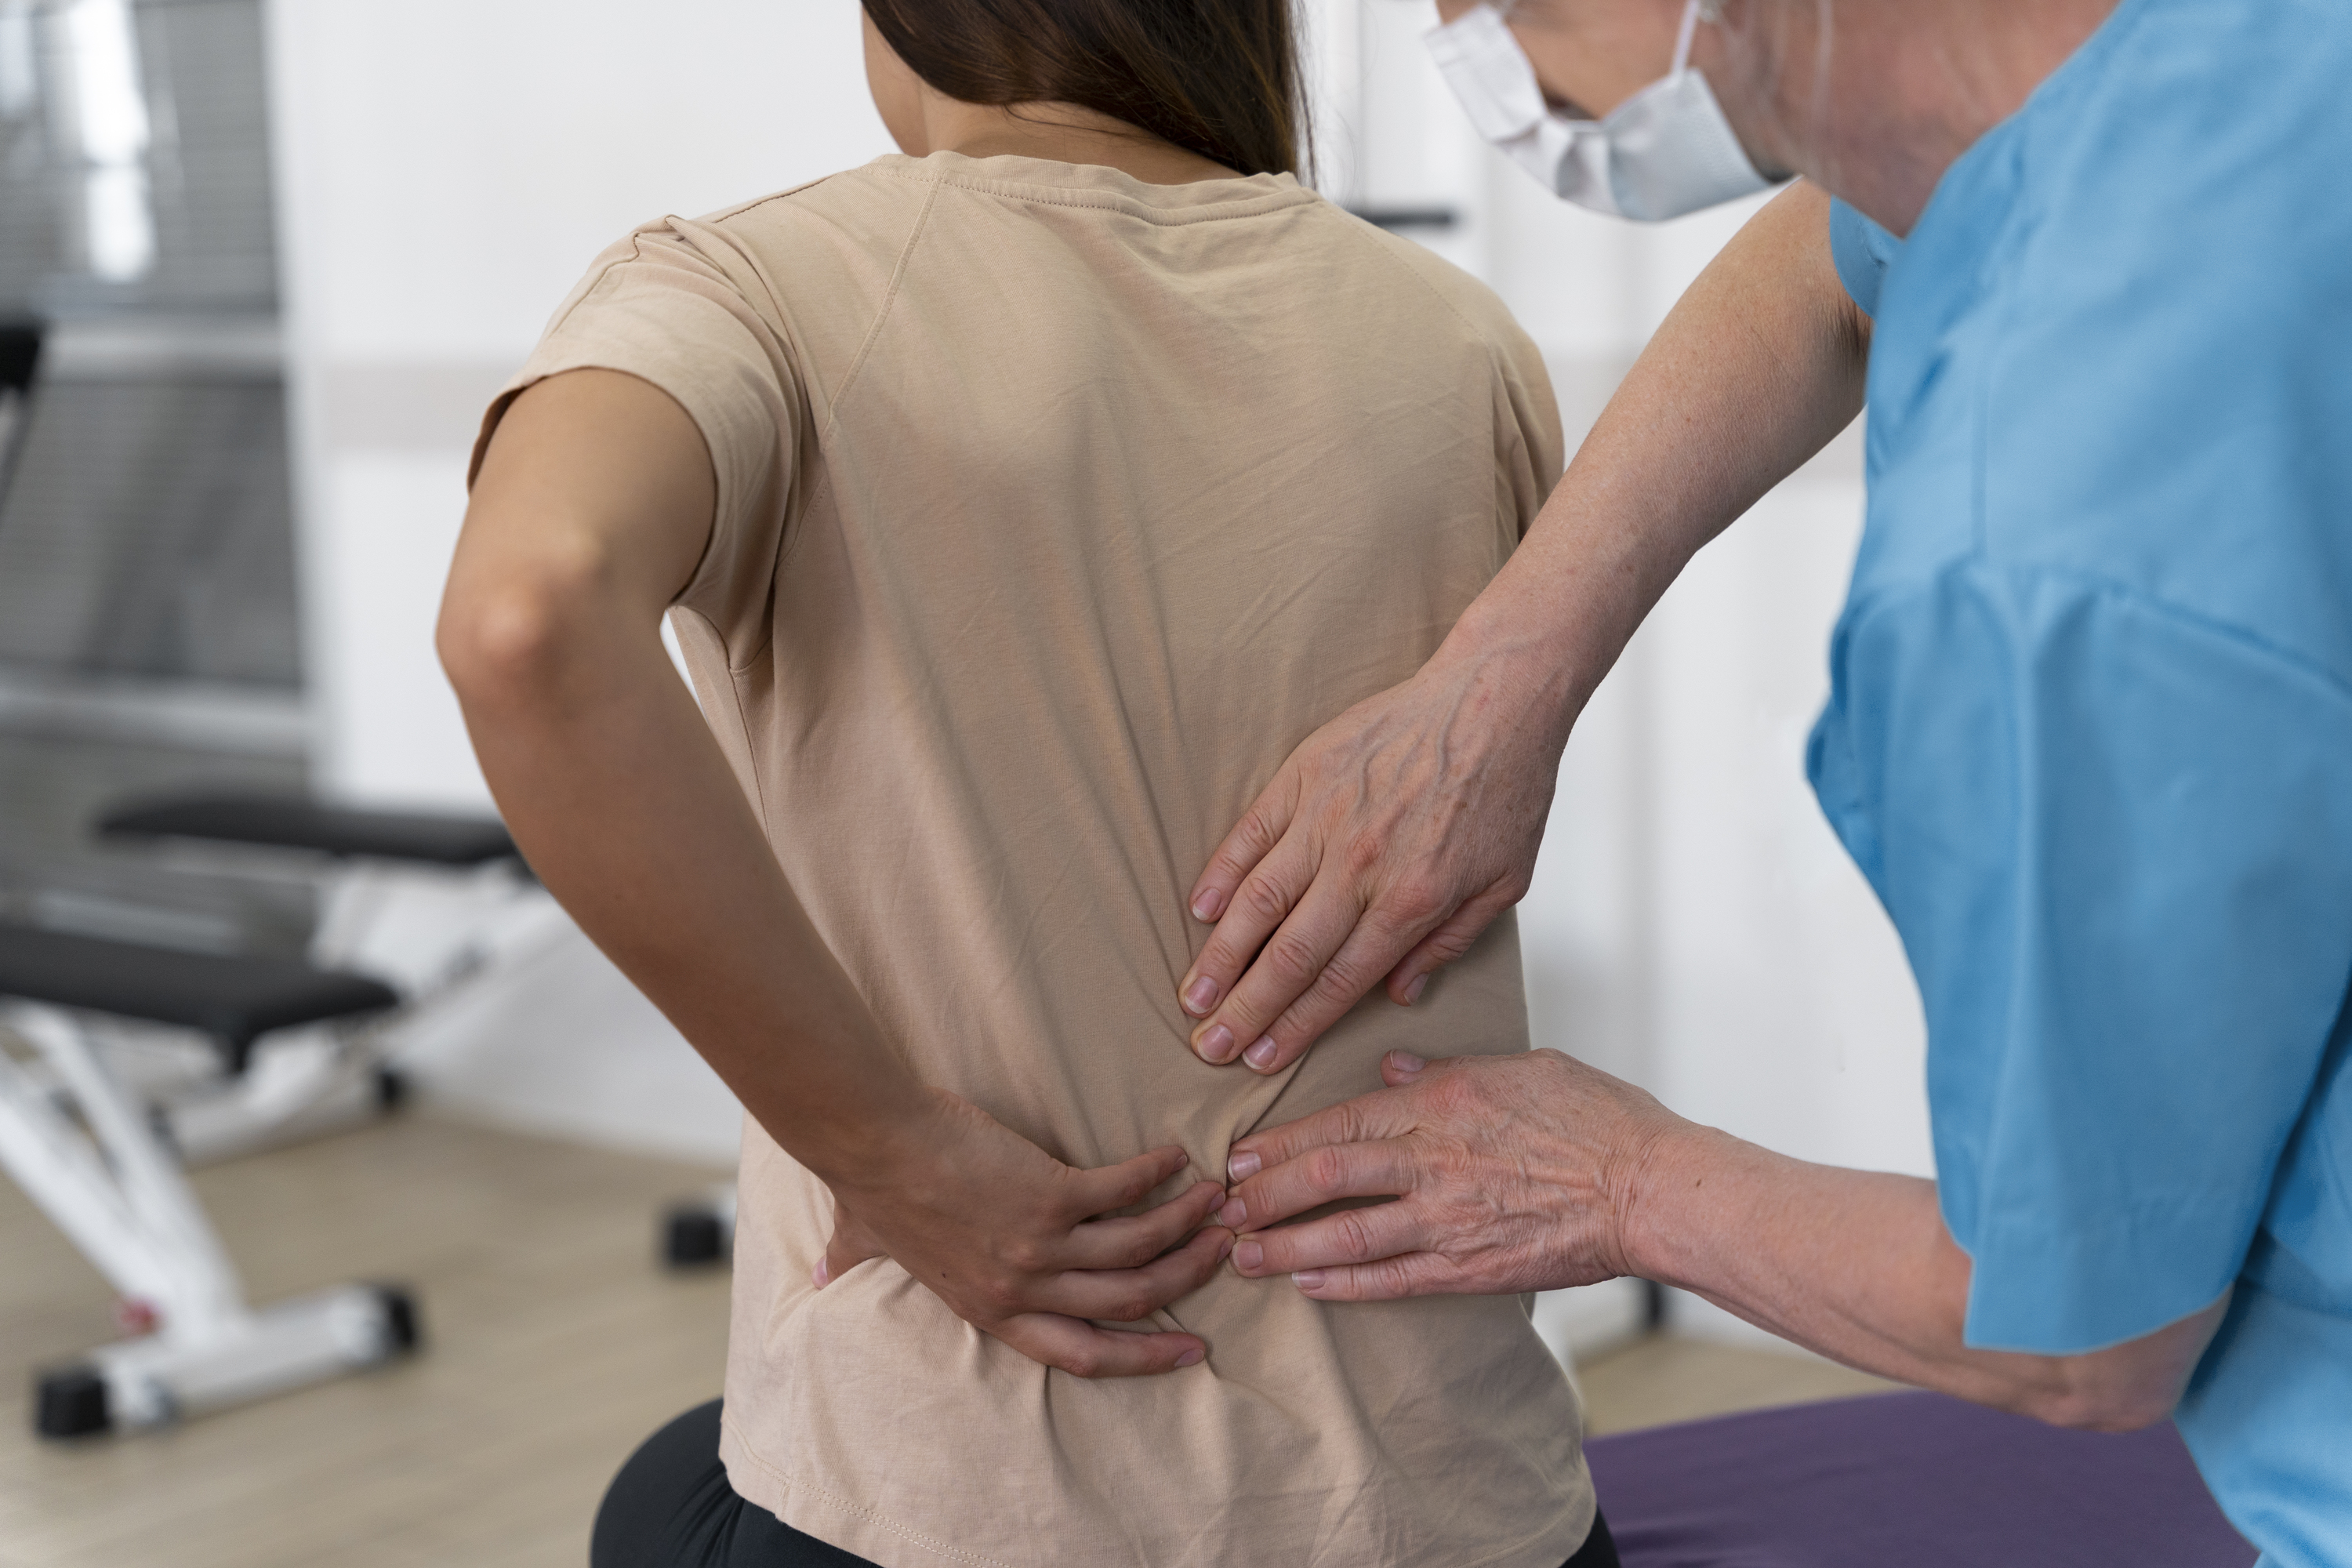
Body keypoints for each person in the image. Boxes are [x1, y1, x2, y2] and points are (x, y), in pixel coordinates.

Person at [438, 0, 1619, 1563]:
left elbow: (524, 620)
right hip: (1464, 1509)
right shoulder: (1464, 340)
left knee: (656, 1507)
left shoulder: (758, 288)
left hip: (965, 1508)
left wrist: (887, 1152)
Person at [1180, 0, 2352, 1563]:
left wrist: (1619, 1183)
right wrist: (1509, 665)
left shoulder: (2043, 560)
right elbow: (1843, 245)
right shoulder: (2224, 59)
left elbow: (2086, 1340)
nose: (1483, 61)